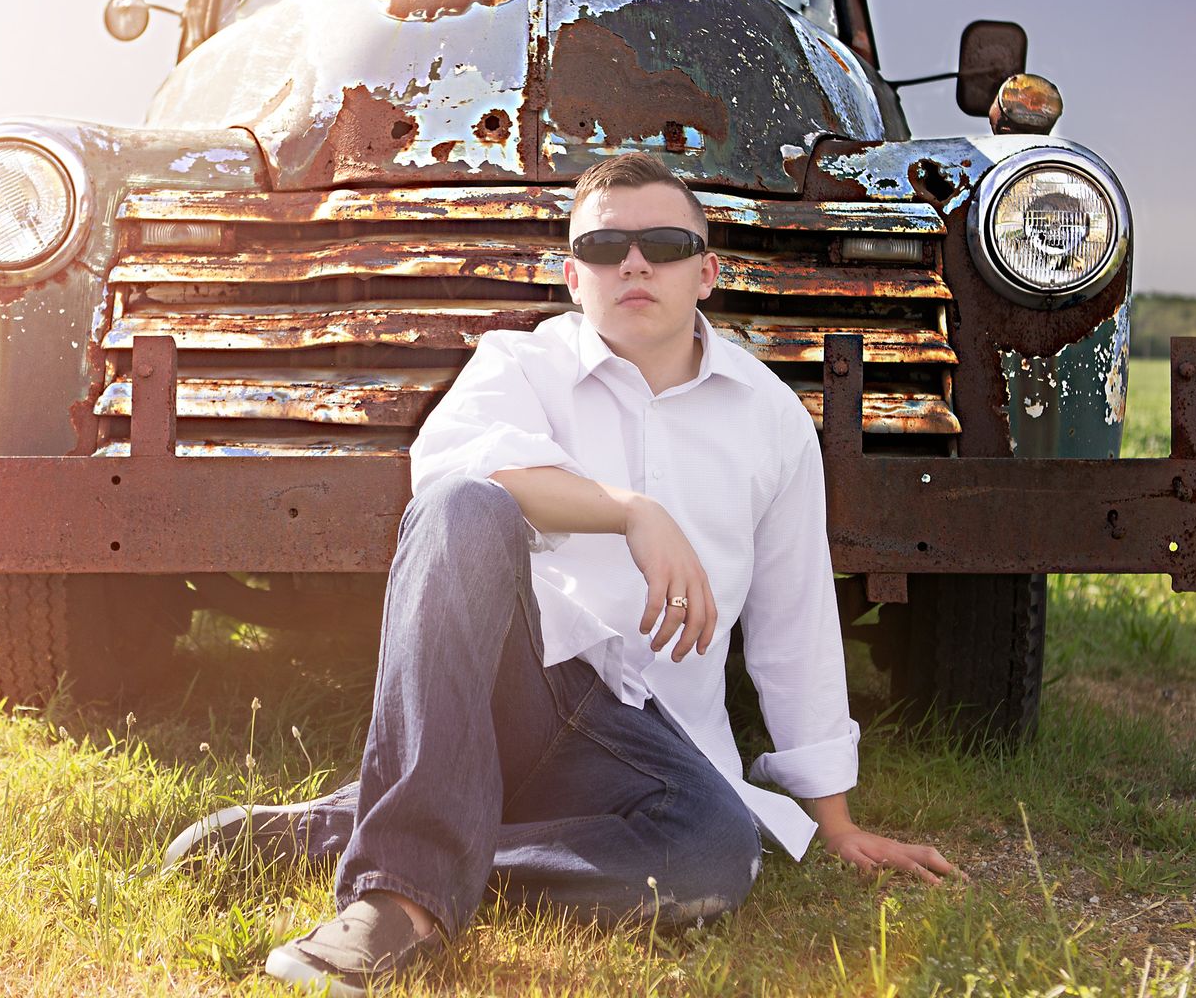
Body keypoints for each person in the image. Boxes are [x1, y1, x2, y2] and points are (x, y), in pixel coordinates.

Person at [166, 152, 958, 996]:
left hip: (653, 746)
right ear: (574, 277)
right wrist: (629, 510)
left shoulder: (772, 423)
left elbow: (795, 620)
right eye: (608, 246)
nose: (636, 262)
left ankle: (370, 835)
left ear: (708, 270)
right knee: (462, 507)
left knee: (714, 854)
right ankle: (399, 896)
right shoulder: (520, 365)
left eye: (662, 240)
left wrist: (833, 820)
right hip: (523, 689)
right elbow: (451, 476)